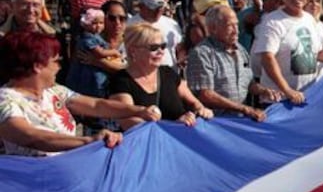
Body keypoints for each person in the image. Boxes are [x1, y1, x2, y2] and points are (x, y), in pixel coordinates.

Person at [0, 31, 159, 156]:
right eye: (56, 61)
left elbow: (96, 105)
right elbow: (30, 136)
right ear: (37, 66)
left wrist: (140, 111)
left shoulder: (54, 91)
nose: (59, 67)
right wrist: (87, 141)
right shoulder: (5, 100)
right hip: (29, 185)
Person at [109, 23, 213, 129]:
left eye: (163, 46)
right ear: (132, 51)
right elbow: (129, 122)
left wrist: (201, 110)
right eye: (153, 48)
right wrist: (172, 126)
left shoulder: (168, 73)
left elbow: (194, 103)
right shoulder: (120, 81)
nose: (160, 52)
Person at [187, 5, 279, 121]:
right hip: (215, 123)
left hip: (240, 120)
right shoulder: (202, 54)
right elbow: (205, 95)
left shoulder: (241, 50)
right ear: (213, 28)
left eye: (236, 24)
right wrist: (244, 109)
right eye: (230, 26)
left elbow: (249, 84)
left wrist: (264, 91)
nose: (236, 30)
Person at [66, 8, 124, 100]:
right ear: (86, 24)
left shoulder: (96, 37)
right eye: (94, 23)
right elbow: (100, 53)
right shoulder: (88, 38)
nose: (98, 26)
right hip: (89, 74)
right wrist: (114, 52)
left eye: (101, 23)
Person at [128, 0, 182, 68]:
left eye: (160, 7)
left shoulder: (171, 23)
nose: (158, 11)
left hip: (171, 75)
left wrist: (181, 57)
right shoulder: (130, 25)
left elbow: (179, 47)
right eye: (153, 7)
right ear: (141, 6)